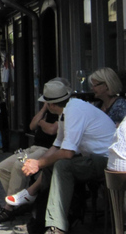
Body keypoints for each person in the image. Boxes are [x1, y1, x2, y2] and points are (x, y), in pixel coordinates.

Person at [11, 78, 115, 234]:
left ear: (51, 105)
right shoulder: (66, 113)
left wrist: (38, 164)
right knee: (50, 167)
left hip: (108, 160)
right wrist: (39, 163)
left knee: (62, 166)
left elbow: (67, 153)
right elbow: (57, 145)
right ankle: (39, 223)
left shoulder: (74, 111)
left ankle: (57, 227)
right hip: (93, 158)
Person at [0, 84, 61, 224]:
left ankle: (9, 208)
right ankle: (20, 201)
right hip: (33, 147)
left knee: (19, 166)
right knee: (1, 168)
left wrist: (42, 123)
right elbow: (32, 126)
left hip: (47, 149)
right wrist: (44, 109)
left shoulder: (61, 111)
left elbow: (52, 130)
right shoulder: (47, 111)